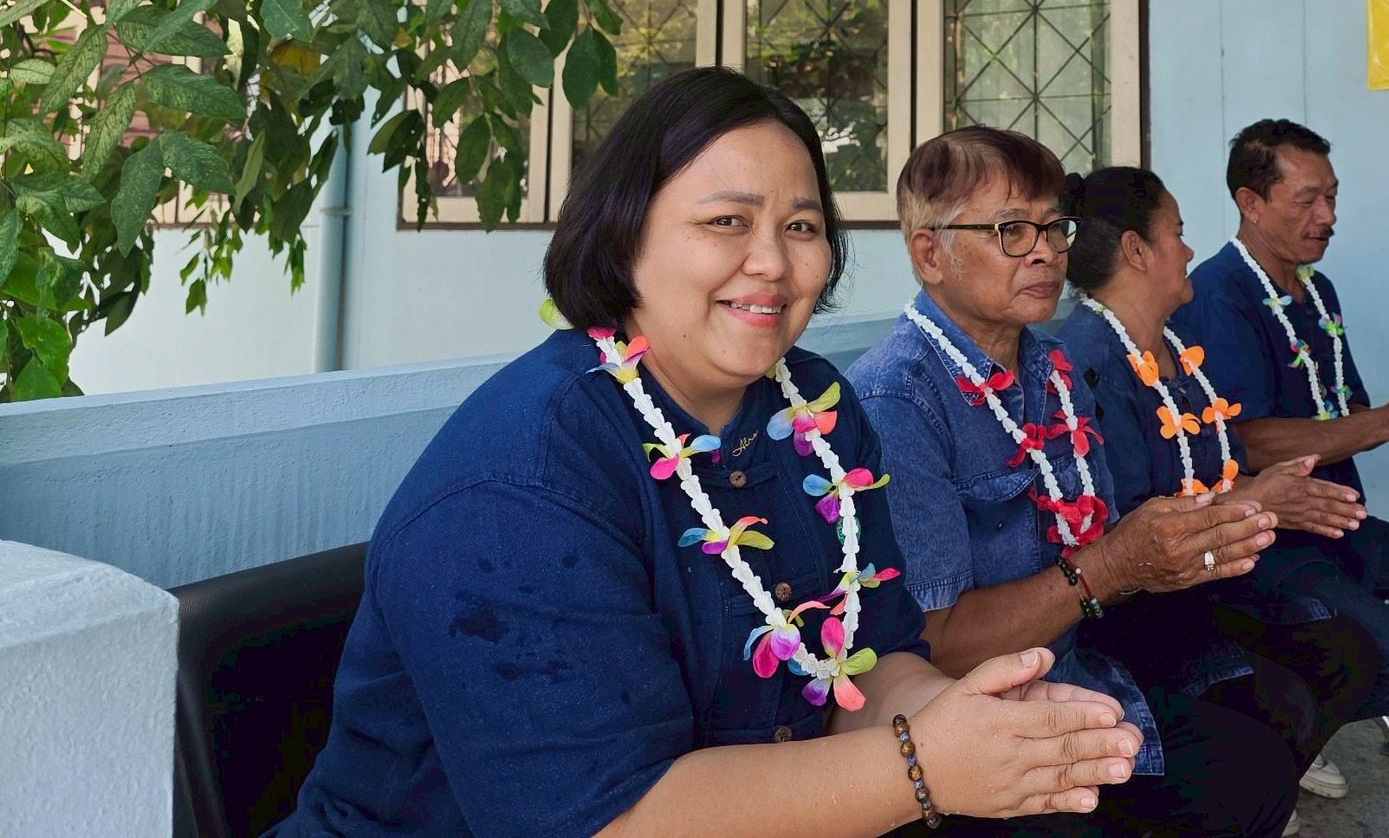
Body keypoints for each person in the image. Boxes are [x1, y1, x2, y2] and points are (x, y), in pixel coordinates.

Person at [277, 69, 1141, 838]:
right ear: (624, 237)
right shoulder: (524, 479)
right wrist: (923, 767)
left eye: (801, 226)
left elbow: (872, 664)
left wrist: (964, 720)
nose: (772, 262)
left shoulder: (817, 406)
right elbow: (610, 820)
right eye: (727, 221)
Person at [850, 127, 1307, 838]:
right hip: (978, 722)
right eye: (1010, 230)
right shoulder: (897, 400)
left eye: (1053, 227)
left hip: (1085, 654)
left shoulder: (1051, 364)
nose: (1045, 252)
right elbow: (927, 645)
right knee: (1245, 769)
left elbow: (1102, 537)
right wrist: (1113, 565)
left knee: (1270, 737)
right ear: (929, 254)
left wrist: (1188, 542)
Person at [1176, 118, 1389, 752]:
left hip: (1340, 520)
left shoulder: (1316, 288)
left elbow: (1346, 409)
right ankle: (1286, 728)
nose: (1328, 216)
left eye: (1332, 196)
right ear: (1251, 202)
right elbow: (1247, 443)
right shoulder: (1219, 294)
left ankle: (1309, 698)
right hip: (1271, 538)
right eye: (1308, 199)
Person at [1060, 164, 1388, 816]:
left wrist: (1270, 493)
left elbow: (1223, 463)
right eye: (1177, 233)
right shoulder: (1087, 362)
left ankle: (1265, 791)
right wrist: (1255, 500)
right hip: (1138, 616)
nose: (1188, 251)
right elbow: (1123, 533)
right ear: (1136, 251)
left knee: (1351, 656)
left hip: (1214, 579)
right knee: (1287, 704)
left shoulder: (1172, 344)